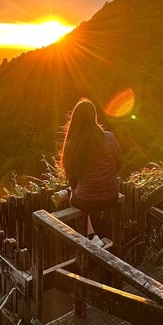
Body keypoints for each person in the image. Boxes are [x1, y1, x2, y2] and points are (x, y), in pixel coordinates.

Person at [59, 98, 121, 243]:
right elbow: (119, 164)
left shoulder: (72, 144)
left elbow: (72, 180)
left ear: (75, 120)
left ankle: (90, 238)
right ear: (94, 117)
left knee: (76, 198)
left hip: (86, 200)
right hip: (111, 196)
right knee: (87, 198)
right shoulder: (109, 137)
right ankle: (95, 236)